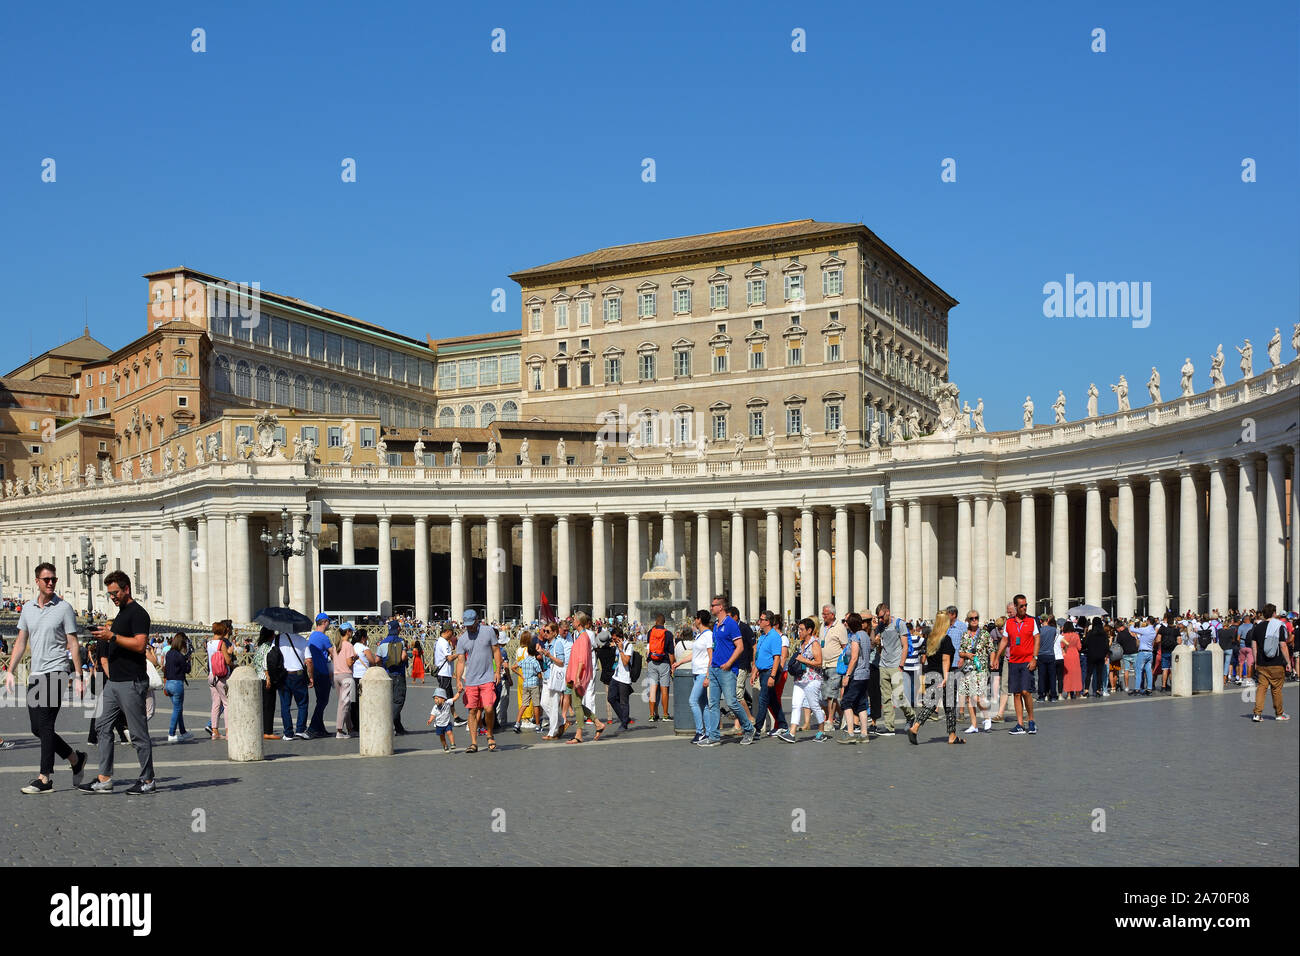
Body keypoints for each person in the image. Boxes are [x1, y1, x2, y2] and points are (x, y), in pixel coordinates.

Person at [5, 562, 88, 794]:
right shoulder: (28, 609)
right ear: (37, 582)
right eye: (47, 579)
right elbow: (21, 641)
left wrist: (78, 675)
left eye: (54, 579)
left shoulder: (64, 608)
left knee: (46, 723)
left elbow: (73, 643)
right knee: (36, 728)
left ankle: (45, 778)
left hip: (57, 671)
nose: (51, 582)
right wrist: (10, 671)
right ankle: (75, 759)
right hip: (36, 673)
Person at [77, 570, 157, 795]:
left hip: (131, 681)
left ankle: (148, 779)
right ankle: (104, 778)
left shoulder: (138, 614)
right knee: (102, 726)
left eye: (115, 592)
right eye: (110, 593)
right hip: (114, 682)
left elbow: (140, 645)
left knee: (138, 732)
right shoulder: (121, 613)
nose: (112, 596)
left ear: (126, 589)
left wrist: (112, 637)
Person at [703, 594, 756, 746]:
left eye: (713, 605)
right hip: (714, 669)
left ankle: (748, 728)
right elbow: (715, 648)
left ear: (720, 607)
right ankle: (713, 736)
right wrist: (710, 667)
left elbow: (740, 647)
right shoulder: (716, 625)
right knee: (713, 704)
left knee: (732, 702)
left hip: (727, 670)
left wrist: (728, 663)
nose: (711, 607)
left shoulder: (731, 624)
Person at [908, 610, 962, 745]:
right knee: (949, 706)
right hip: (943, 675)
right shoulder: (946, 639)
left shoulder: (931, 638)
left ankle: (916, 727)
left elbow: (925, 657)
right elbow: (946, 660)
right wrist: (946, 677)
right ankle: (951, 736)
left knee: (930, 705)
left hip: (931, 674)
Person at [453, 609, 502, 752]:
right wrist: (458, 680)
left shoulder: (488, 631)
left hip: (487, 677)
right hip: (471, 680)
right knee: (472, 711)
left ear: (477, 620)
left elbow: (496, 651)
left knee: (488, 708)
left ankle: (490, 734)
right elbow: (461, 661)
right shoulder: (462, 639)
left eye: (471, 624)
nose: (469, 627)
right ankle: (474, 743)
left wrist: (498, 670)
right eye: (466, 625)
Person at [996, 594, 1039, 735]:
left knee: (1026, 691)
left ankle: (1031, 720)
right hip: (1013, 661)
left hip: (1027, 661)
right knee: (1016, 693)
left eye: (1026, 605)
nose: (1024, 608)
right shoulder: (1009, 623)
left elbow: (1037, 639)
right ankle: (1020, 724)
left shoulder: (1032, 621)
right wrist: (997, 657)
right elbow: (1004, 640)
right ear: (1016, 606)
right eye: (1022, 606)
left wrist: (1035, 658)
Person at [750, 610, 793, 742]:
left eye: (762, 620)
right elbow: (760, 656)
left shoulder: (774, 637)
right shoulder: (763, 636)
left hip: (769, 671)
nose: (759, 621)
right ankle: (783, 725)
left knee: (763, 699)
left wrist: (773, 676)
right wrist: (754, 671)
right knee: (773, 700)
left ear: (768, 622)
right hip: (762, 670)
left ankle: (757, 729)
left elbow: (777, 658)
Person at [674, 609, 713, 743]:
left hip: (703, 672)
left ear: (699, 620)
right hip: (696, 672)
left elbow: (711, 656)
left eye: (695, 618)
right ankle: (708, 732)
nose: (694, 621)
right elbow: (694, 654)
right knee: (703, 704)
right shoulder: (699, 635)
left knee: (692, 701)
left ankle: (699, 731)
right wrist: (680, 662)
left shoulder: (708, 635)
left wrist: (708, 675)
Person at [1251, 604, 1292, 722]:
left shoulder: (1257, 627)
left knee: (1261, 688)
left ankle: (1257, 714)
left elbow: (1254, 645)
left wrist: (1255, 661)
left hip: (1262, 664)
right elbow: (1283, 645)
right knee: (1276, 689)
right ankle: (1279, 714)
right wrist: (1288, 662)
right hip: (1276, 663)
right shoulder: (1278, 626)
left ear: (1263, 614)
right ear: (1274, 613)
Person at [837, 612, 873, 743]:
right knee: (861, 704)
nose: (845, 624)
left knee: (846, 702)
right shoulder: (865, 635)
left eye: (847, 622)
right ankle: (864, 734)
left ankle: (850, 733)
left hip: (856, 674)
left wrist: (847, 675)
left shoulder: (854, 637)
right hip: (865, 674)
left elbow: (854, 658)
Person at [873, 604, 908, 737]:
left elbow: (905, 646)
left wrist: (901, 665)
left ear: (888, 612)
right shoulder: (880, 626)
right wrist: (875, 638)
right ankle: (889, 726)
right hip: (883, 665)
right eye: (878, 617)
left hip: (896, 665)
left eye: (882, 616)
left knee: (899, 696)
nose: (880, 619)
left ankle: (911, 716)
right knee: (886, 698)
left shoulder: (899, 624)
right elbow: (875, 643)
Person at [789, 617, 827, 741]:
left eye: (801, 629)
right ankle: (792, 733)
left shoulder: (814, 643)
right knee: (796, 705)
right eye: (799, 629)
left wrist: (802, 659)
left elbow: (819, 662)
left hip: (812, 679)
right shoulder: (801, 644)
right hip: (800, 679)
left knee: (814, 705)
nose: (799, 632)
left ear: (809, 630)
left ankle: (821, 731)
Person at [959, 611, 993, 733]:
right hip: (968, 670)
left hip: (981, 669)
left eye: (976, 618)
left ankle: (987, 717)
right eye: (971, 618)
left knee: (977, 697)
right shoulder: (965, 635)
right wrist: (966, 654)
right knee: (969, 698)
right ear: (967, 620)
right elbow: (960, 652)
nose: (974, 620)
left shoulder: (984, 634)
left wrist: (993, 661)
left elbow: (991, 649)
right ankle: (974, 725)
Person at [819, 604, 850, 734]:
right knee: (824, 695)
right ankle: (842, 715)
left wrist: (843, 665)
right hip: (823, 664)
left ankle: (830, 721)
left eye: (825, 614)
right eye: (822, 613)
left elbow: (845, 647)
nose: (823, 616)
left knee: (831, 694)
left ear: (832, 615)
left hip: (834, 665)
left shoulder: (840, 628)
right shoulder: (822, 626)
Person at [376, 620, 409, 735]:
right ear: (398, 629)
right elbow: (404, 657)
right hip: (399, 674)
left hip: (387, 674)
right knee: (399, 700)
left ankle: (399, 728)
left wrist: (383, 667)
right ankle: (388, 723)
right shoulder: (401, 641)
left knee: (391, 701)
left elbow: (377, 660)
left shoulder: (382, 643)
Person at [305, 613, 335, 738]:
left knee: (320, 701)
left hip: (315, 671)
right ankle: (312, 728)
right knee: (323, 701)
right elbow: (333, 654)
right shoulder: (324, 638)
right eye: (328, 622)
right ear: (325, 622)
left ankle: (320, 729)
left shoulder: (312, 637)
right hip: (323, 672)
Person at [205, 621, 236, 740]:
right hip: (221, 676)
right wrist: (230, 654)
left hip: (211, 675)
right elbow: (227, 661)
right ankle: (228, 732)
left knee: (216, 704)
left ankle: (215, 732)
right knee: (227, 703)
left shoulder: (209, 643)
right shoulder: (221, 643)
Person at [162, 633, 192, 743]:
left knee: (178, 708)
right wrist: (188, 660)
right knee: (177, 709)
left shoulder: (169, 653)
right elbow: (187, 669)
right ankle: (171, 733)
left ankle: (183, 732)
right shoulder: (179, 656)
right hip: (176, 684)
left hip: (168, 683)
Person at [644, 613, 674, 721]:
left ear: (656, 622)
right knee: (664, 689)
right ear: (664, 622)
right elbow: (671, 653)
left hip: (652, 662)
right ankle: (665, 715)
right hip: (664, 662)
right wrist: (672, 666)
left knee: (652, 689)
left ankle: (652, 715)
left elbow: (648, 648)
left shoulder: (650, 632)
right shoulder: (668, 634)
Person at [252, 627, 279, 740]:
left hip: (259, 678)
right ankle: (268, 731)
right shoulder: (268, 646)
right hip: (266, 679)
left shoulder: (259, 647)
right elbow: (265, 663)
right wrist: (268, 678)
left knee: (263, 706)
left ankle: (263, 729)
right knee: (269, 706)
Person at [514, 630, 542, 734]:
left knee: (521, 697)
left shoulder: (518, 650)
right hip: (529, 676)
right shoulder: (527, 650)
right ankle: (527, 718)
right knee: (530, 700)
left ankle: (522, 718)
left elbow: (517, 662)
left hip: (521, 675)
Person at [607, 626, 634, 732]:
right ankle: (624, 718)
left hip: (624, 678)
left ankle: (624, 724)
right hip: (616, 676)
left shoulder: (628, 646)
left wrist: (621, 649)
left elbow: (625, 662)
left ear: (619, 637)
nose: (613, 641)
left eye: (614, 639)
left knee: (624, 702)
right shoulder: (617, 646)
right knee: (611, 698)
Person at [333, 624, 358, 738]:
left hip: (336, 676)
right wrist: (355, 659)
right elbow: (349, 663)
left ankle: (350, 728)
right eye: (351, 631)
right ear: (348, 632)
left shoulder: (336, 645)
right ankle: (339, 730)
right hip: (346, 676)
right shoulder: (348, 645)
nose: (352, 633)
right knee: (344, 704)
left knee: (344, 703)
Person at [1084, 617, 1111, 698]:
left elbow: (1085, 644)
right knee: (1099, 673)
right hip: (1100, 655)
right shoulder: (1104, 634)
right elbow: (1106, 646)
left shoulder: (1090, 633)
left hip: (1091, 655)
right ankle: (1098, 690)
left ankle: (1086, 690)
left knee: (1089, 673)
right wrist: (1106, 654)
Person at [1036, 615, 1059, 702]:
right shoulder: (1053, 630)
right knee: (1052, 676)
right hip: (1050, 654)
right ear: (1048, 620)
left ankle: (1041, 695)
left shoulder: (1039, 630)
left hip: (1041, 655)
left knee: (1041, 676)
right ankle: (1053, 695)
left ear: (1041, 621)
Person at [1133, 616, 1156, 695]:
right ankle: (1149, 689)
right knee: (1149, 671)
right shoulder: (1153, 631)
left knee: (1139, 670)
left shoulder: (1145, 629)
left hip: (1142, 652)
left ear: (1148, 621)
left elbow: (1132, 629)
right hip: (1150, 652)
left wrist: (1133, 623)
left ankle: (1137, 689)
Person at [1157, 614, 1180, 692]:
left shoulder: (1162, 629)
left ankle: (1163, 686)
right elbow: (1179, 641)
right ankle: (1173, 685)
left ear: (1166, 621)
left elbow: (1158, 640)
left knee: (1165, 669)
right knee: (1172, 669)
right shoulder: (1176, 630)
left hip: (1164, 651)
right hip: (1173, 651)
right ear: (1173, 621)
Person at [1059, 621, 1082, 699]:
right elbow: (1079, 647)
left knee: (1067, 675)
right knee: (1076, 674)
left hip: (1066, 655)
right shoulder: (1076, 635)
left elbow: (1061, 646)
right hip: (1075, 655)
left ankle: (1068, 694)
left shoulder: (1062, 636)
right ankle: (1077, 692)